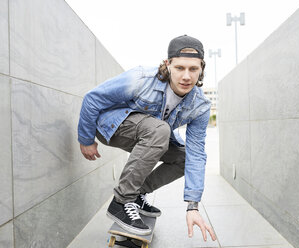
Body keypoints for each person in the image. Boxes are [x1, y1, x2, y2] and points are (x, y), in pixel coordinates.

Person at [77, 35, 216, 242]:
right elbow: (93, 98)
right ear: (168, 64)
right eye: (179, 68)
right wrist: (86, 139)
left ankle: (137, 194)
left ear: (201, 69)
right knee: (160, 130)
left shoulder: (200, 105)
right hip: (111, 126)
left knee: (184, 156)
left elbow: (197, 153)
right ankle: (121, 202)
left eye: (193, 69)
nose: (186, 76)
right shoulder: (141, 78)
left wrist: (192, 206)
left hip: (150, 134)